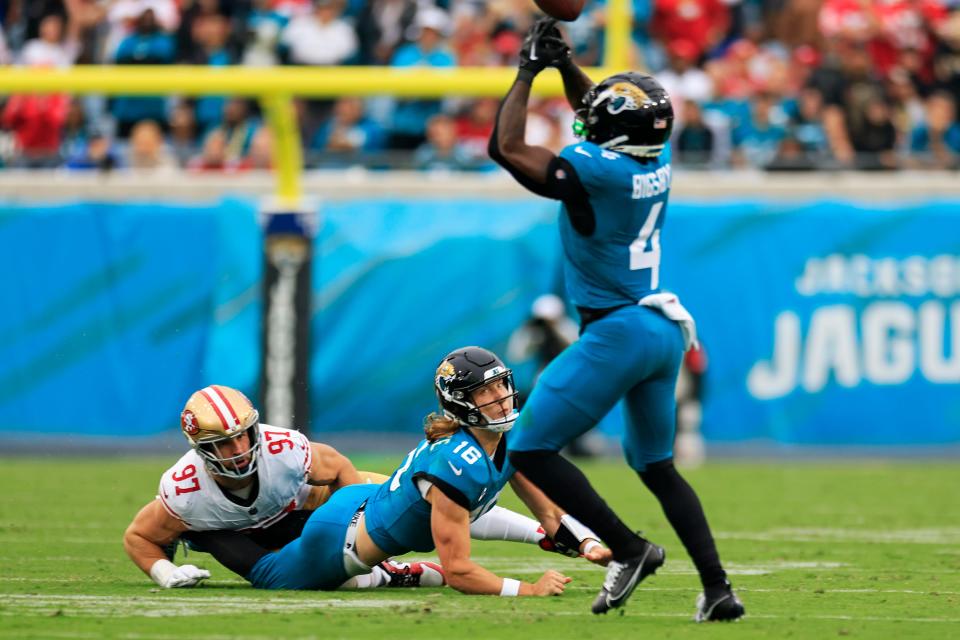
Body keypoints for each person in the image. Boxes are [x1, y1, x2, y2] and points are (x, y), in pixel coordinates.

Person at [487, 18, 745, 621]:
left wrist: (528, 71)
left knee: (527, 447)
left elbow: (507, 148)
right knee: (656, 466)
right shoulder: (655, 158)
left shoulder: (597, 170)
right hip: (661, 328)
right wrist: (567, 65)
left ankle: (628, 550)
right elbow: (604, 114)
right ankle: (717, 588)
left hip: (618, 331)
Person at [189, 348, 609, 595]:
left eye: (502, 385)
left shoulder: (505, 441)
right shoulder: (455, 463)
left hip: (367, 502)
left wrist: (591, 545)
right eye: (486, 391)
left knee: (457, 510)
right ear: (461, 403)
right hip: (339, 538)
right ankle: (198, 530)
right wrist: (527, 589)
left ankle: (390, 570)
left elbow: (549, 515)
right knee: (272, 578)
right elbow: (460, 571)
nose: (501, 398)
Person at [123, 384, 566, 589]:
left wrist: (356, 525)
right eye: (223, 443)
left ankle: (545, 534)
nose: (239, 448)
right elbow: (140, 536)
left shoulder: (284, 449)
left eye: (243, 434)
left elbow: (338, 468)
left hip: (305, 512)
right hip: (236, 536)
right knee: (295, 580)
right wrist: (165, 572)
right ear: (200, 450)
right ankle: (397, 575)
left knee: (411, 493)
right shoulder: (186, 489)